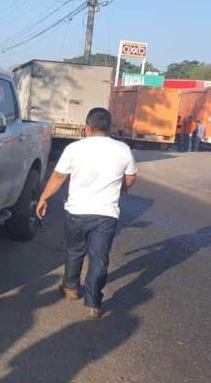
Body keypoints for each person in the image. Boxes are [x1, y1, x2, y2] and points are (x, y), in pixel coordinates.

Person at [36, 107, 138, 318]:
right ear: (109, 128)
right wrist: (121, 188)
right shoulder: (123, 149)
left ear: (87, 127)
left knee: (75, 251)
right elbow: (131, 178)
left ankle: (71, 287)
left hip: (77, 211)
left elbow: (58, 177)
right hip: (106, 214)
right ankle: (93, 303)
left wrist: (43, 198)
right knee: (99, 258)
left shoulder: (74, 148)